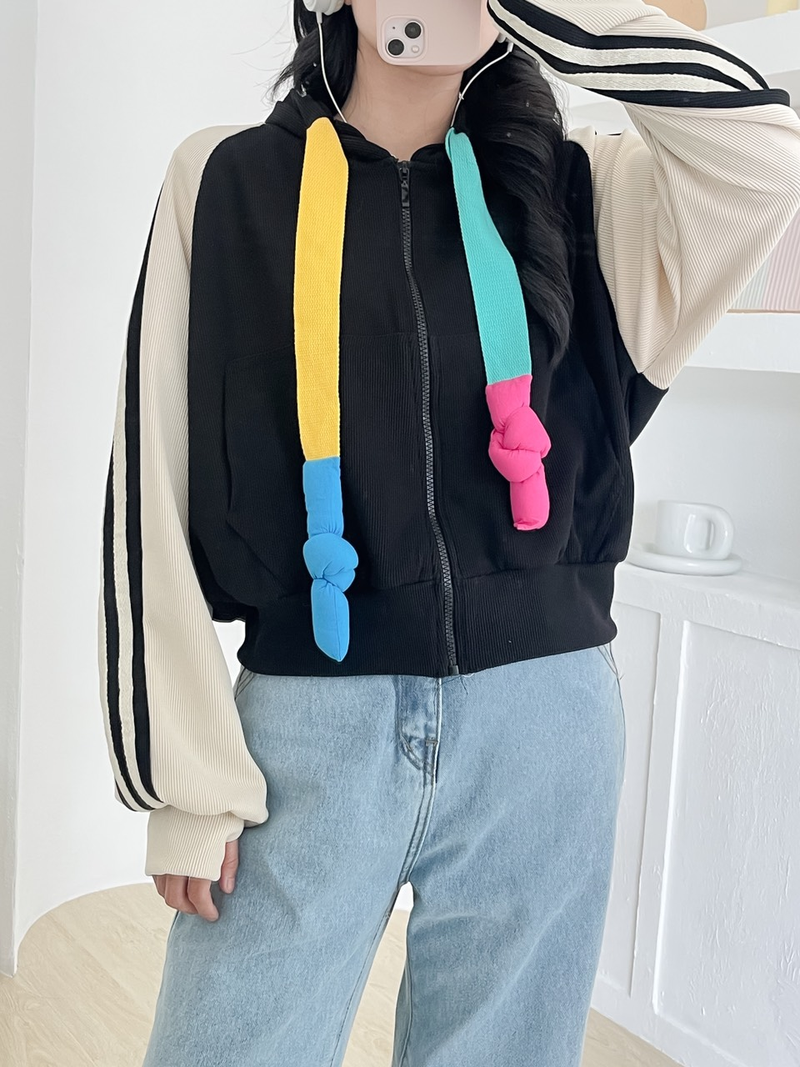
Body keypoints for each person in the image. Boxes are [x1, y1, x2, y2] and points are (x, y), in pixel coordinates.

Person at [97, 0, 800, 1063]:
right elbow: (147, 486)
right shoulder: (224, 180)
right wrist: (184, 782)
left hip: (545, 727)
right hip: (306, 734)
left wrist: (542, 9)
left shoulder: (587, 187)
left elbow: (766, 153)